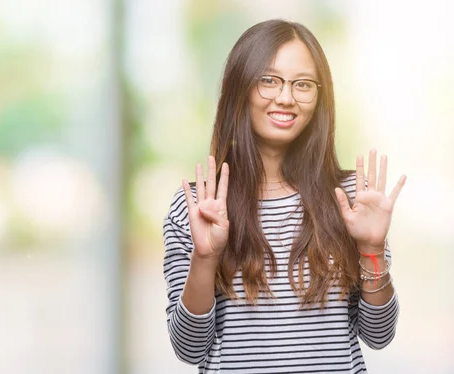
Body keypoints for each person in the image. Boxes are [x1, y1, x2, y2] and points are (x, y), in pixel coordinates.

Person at [162, 19, 406, 373]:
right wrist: (205, 257)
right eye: (268, 80)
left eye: (303, 84)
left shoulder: (352, 200)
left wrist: (371, 251)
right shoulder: (199, 207)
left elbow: (378, 335)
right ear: (240, 88)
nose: (286, 97)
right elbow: (189, 348)